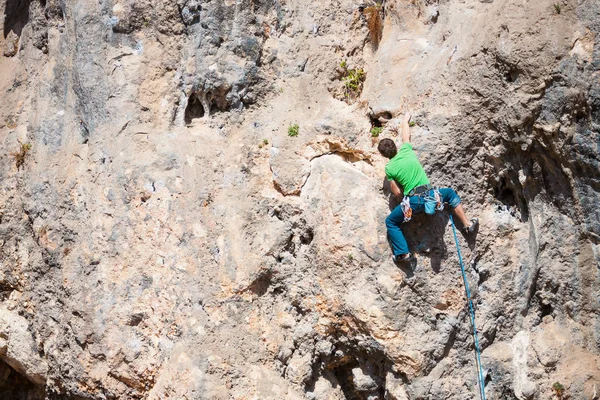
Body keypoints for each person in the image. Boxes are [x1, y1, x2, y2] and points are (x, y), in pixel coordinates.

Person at [378, 112, 478, 262]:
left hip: (413, 201)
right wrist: (405, 119)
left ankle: (403, 254)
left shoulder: (390, 168)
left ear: (383, 155)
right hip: (429, 193)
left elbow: (397, 192)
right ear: (395, 147)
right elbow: (406, 136)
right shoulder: (407, 151)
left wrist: (400, 200)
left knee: (391, 222)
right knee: (449, 194)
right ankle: (467, 224)